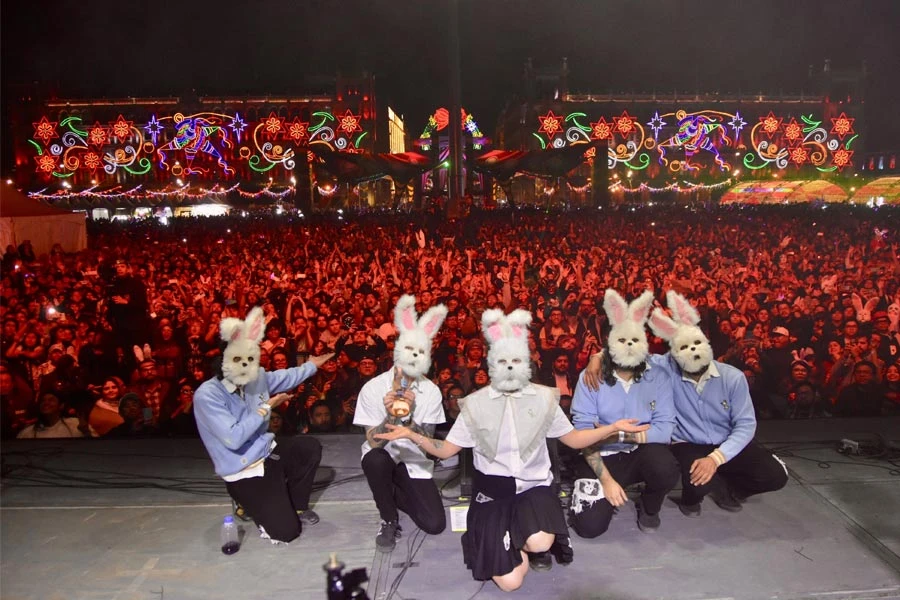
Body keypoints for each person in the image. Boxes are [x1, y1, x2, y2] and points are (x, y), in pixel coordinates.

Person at [374, 308, 649, 592]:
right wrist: (410, 432)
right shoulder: (476, 403)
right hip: (493, 492)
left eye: (516, 360)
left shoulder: (543, 398)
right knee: (510, 584)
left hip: (534, 488)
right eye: (502, 361)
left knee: (541, 541)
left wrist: (612, 428)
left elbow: (575, 439)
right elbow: (445, 450)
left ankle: (523, 537)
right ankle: (492, 536)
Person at [193, 306, 333, 545]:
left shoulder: (255, 377)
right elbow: (234, 438)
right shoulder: (208, 395)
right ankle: (242, 498)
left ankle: (297, 506)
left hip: (267, 454)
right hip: (243, 468)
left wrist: (312, 366)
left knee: (308, 448)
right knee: (286, 532)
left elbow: (285, 377)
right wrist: (266, 407)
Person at [644, 291, 788, 516]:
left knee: (776, 476)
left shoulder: (733, 377)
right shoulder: (666, 368)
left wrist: (717, 458)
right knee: (697, 484)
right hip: (689, 442)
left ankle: (731, 488)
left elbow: (746, 425)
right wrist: (597, 360)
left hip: (725, 440)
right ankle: (691, 499)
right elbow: (626, 355)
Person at [569, 290, 678, 537]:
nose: (629, 346)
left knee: (666, 467)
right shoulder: (590, 378)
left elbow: (665, 429)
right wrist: (606, 480)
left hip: (638, 453)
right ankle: (600, 489)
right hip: (599, 457)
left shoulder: (658, 374)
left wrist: (615, 435)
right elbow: (583, 434)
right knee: (589, 528)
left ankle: (650, 507)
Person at [352, 295, 449, 552]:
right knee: (375, 460)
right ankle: (388, 518)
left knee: (434, 523)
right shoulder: (373, 389)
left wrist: (409, 421)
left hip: (413, 461)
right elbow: (372, 441)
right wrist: (390, 416)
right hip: (382, 456)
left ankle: (393, 489)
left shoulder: (431, 391)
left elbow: (429, 444)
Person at [17, 392, 93, 439]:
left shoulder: (76, 424)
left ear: (61, 406)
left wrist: (86, 432)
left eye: (51, 400)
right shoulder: (27, 433)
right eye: (43, 400)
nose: (46, 403)